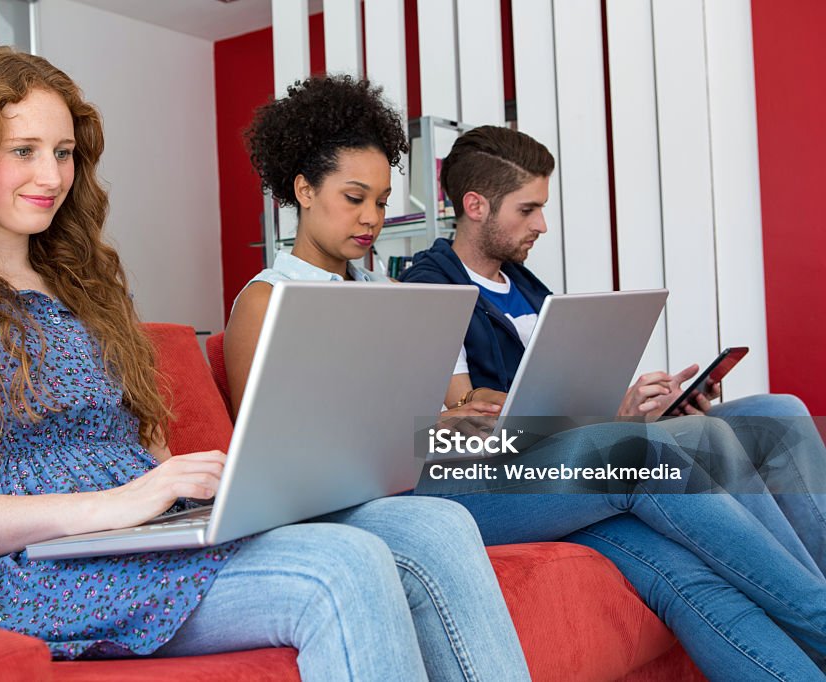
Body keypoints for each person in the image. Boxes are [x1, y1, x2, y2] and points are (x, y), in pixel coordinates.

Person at [0, 47, 531, 681]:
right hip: (24, 567)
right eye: (22, 151)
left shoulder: (91, 294)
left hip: (144, 533)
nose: (51, 176)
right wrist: (113, 505)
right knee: (339, 569)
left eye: (64, 152)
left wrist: (181, 488)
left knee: (433, 524)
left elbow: (142, 452)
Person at [224, 78, 826, 680]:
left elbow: (421, 416)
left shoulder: (385, 291)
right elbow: (277, 456)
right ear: (302, 190)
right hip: (400, 500)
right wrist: (436, 429)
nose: (370, 219)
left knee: (675, 567)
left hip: (447, 464)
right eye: (354, 197)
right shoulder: (267, 298)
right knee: (637, 451)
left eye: (381, 202)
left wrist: (453, 422)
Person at [398, 124, 826, 573]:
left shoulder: (527, 286)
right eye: (528, 210)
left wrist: (644, 408)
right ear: (475, 206)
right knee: (707, 436)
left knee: (781, 412)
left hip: (589, 434)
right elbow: (467, 426)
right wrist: (615, 419)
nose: (542, 225)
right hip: (526, 466)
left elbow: (571, 391)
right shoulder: (432, 286)